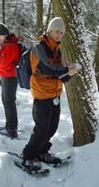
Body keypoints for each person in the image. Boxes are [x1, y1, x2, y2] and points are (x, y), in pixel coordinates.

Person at [22, 17, 78, 170]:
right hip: (42, 95)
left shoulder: (56, 50)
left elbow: (59, 76)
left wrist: (71, 73)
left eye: (61, 32)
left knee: (52, 127)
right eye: (56, 31)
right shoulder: (38, 47)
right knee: (42, 128)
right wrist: (67, 69)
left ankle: (42, 152)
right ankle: (28, 155)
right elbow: (48, 69)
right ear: (49, 30)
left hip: (55, 94)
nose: (59, 34)